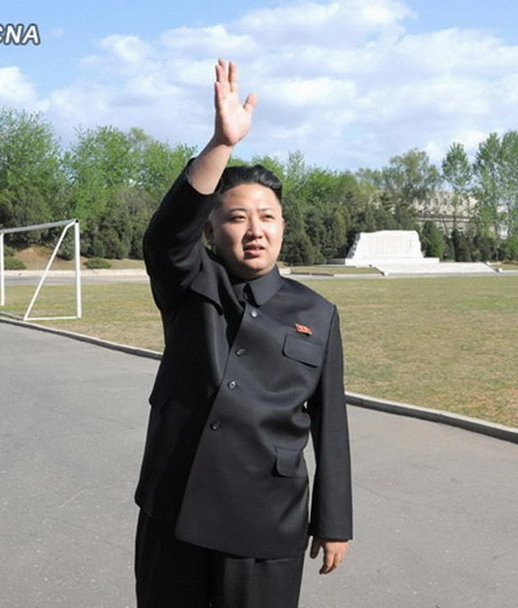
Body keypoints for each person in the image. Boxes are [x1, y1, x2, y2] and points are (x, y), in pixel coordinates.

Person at [134, 58, 352, 608]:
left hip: (266, 521)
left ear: (282, 226)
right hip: (175, 506)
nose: (255, 230)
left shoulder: (317, 312)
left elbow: (330, 424)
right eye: (236, 217)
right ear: (211, 229)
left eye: (267, 217)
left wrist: (334, 522)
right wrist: (221, 144)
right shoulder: (190, 283)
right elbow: (165, 238)